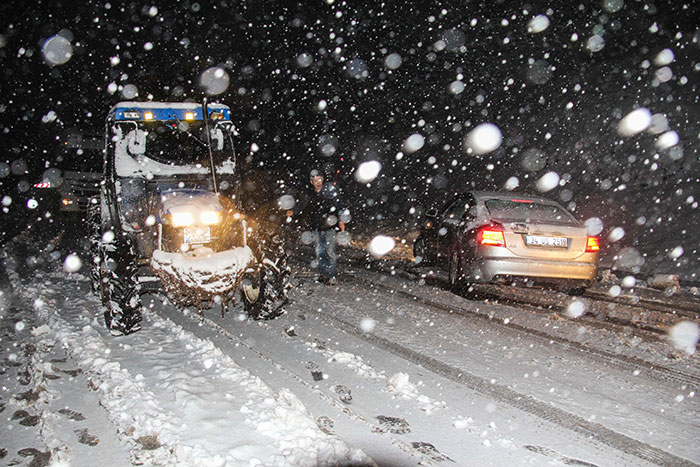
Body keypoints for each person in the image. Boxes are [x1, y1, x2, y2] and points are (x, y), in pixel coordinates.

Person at [288, 169, 346, 285]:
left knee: (330, 252)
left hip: (330, 227)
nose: (318, 182)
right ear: (311, 182)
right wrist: (292, 211)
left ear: (322, 180)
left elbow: (339, 205)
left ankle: (331, 276)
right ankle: (323, 274)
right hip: (316, 228)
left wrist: (341, 220)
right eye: (315, 180)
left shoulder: (329, 193)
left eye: (319, 179)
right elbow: (301, 204)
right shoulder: (310, 195)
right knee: (319, 252)